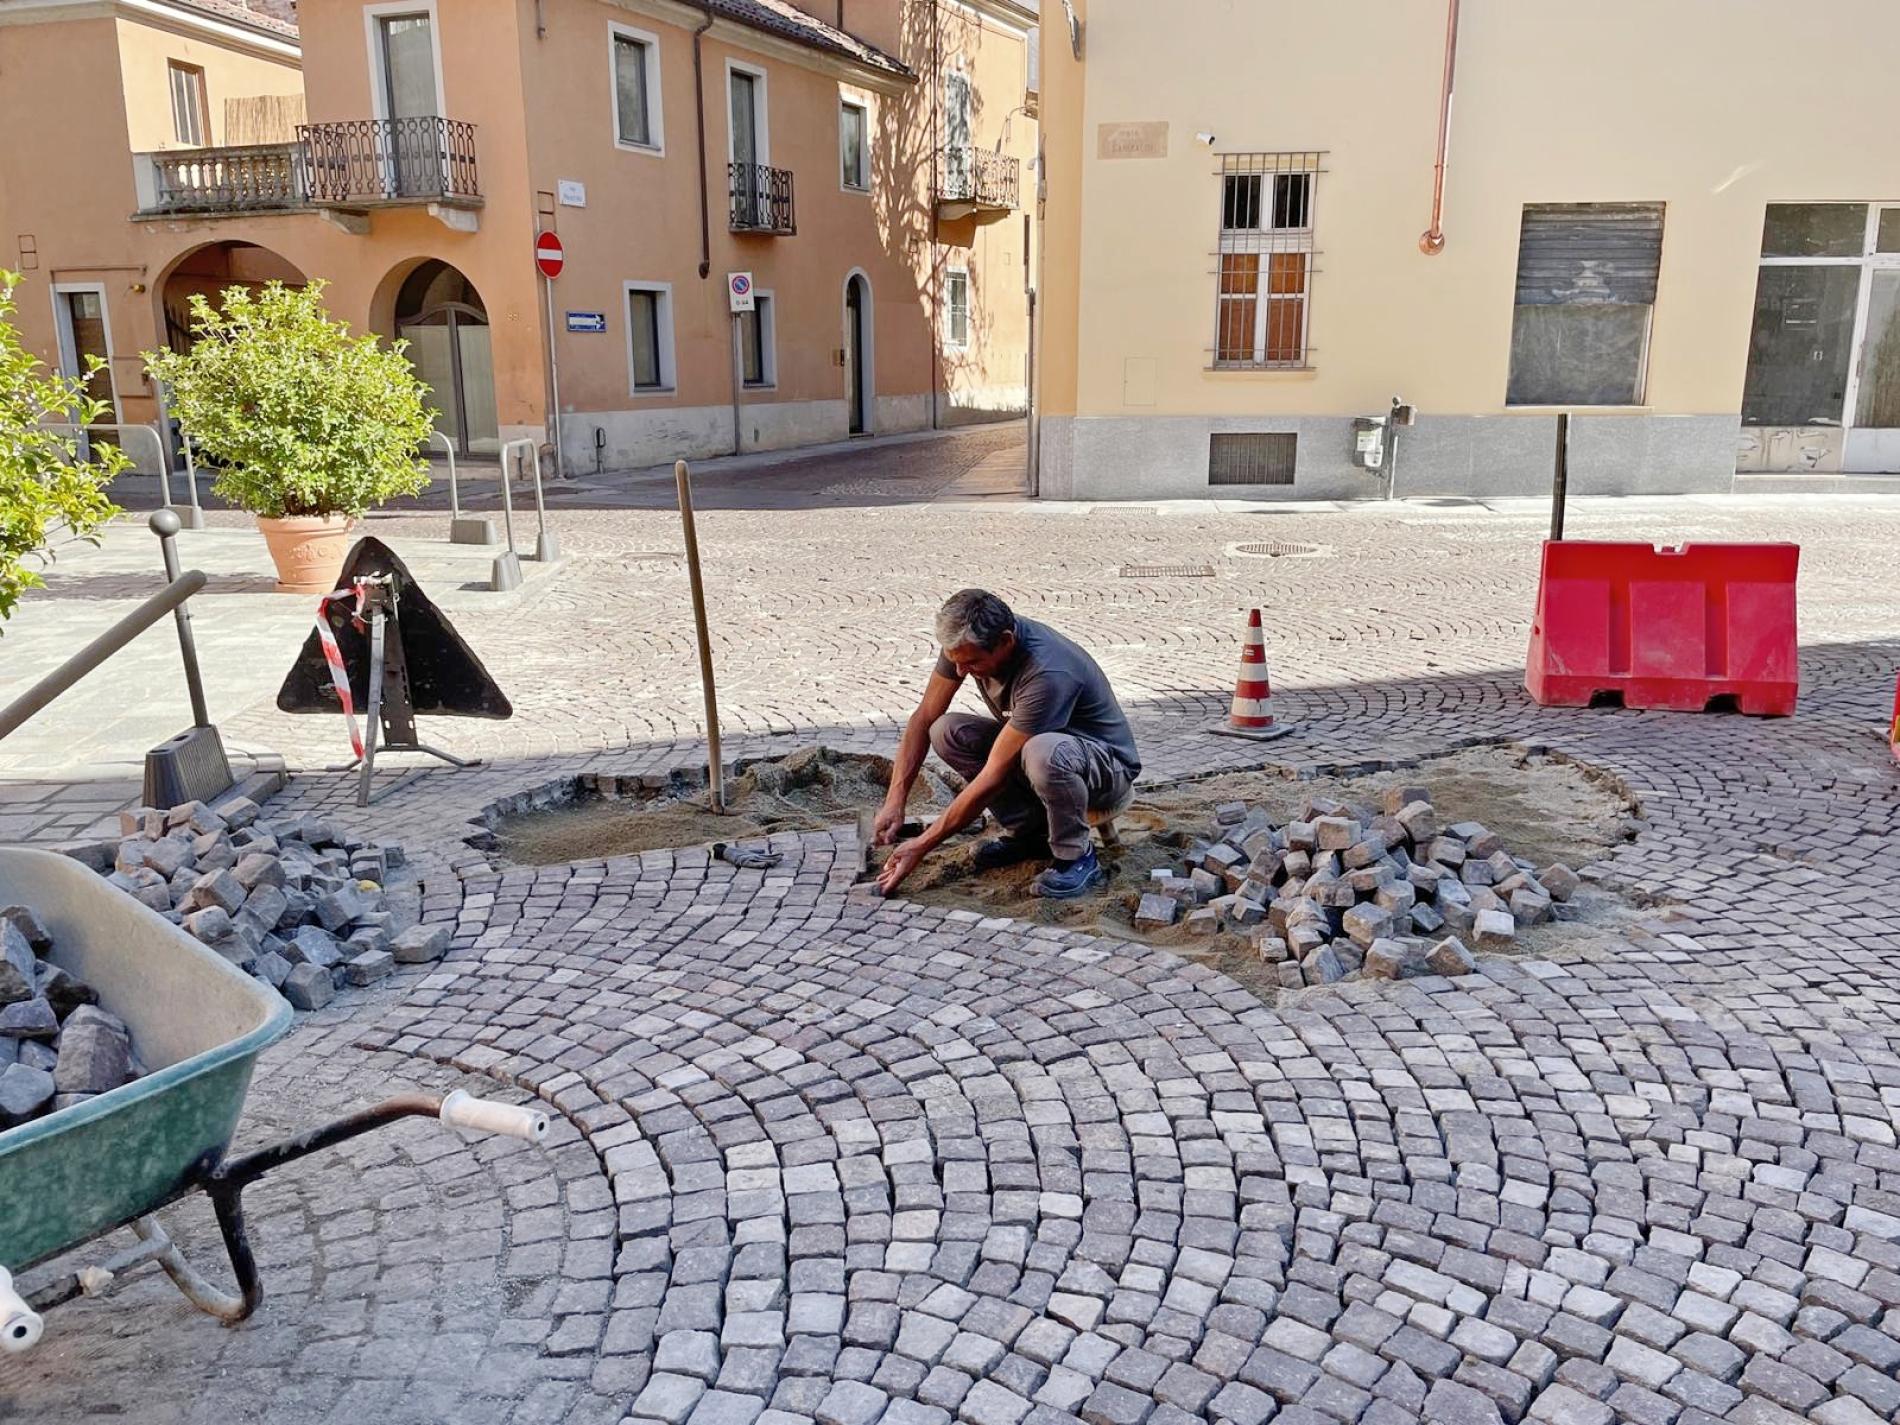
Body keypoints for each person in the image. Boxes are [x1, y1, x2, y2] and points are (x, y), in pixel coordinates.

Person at [874, 588, 1140, 898]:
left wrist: (922, 845)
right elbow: (924, 717)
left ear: (1005, 642)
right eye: (954, 661)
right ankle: (1029, 835)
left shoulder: (1047, 672)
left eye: (972, 663)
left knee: (1044, 752)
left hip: (1106, 767)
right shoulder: (963, 646)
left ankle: (1076, 858)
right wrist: (895, 801)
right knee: (946, 731)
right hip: (1040, 751)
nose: (960, 671)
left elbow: (993, 774)